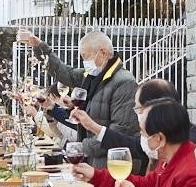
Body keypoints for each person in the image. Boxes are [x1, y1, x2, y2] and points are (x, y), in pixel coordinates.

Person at [17, 28, 138, 165]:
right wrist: (39, 46)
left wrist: (81, 148)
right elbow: (62, 72)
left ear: (102, 53)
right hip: (92, 161)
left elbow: (121, 132)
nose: (85, 62)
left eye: (86, 57)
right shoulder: (91, 76)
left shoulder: (124, 82)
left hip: (112, 165)